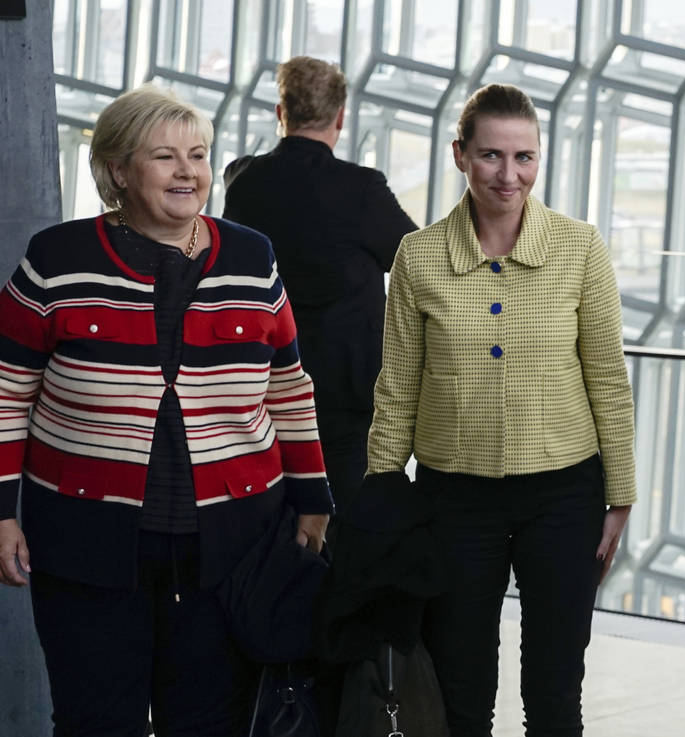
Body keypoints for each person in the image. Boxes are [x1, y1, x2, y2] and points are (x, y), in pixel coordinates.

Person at [0, 85, 332, 736]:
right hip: (84, 542)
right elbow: (7, 390)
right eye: (165, 156)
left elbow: (288, 386)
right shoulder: (55, 259)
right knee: (98, 720)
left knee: (211, 722)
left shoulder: (251, 256)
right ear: (118, 170)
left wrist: (313, 497)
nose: (188, 172)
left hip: (234, 546)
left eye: (199, 155)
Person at [366, 83, 636, 737]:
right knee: (461, 692)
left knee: (553, 691)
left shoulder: (579, 248)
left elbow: (607, 377)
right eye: (491, 155)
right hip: (452, 501)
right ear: (460, 154)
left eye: (524, 157)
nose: (509, 174)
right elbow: (397, 387)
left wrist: (619, 495)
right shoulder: (419, 255)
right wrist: (380, 497)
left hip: (565, 496)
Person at [223, 55, 417, 513]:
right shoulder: (362, 189)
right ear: (341, 117)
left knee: (273, 514)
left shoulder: (244, 182)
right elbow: (416, 261)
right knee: (348, 520)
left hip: (262, 382)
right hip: (346, 393)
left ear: (280, 113)